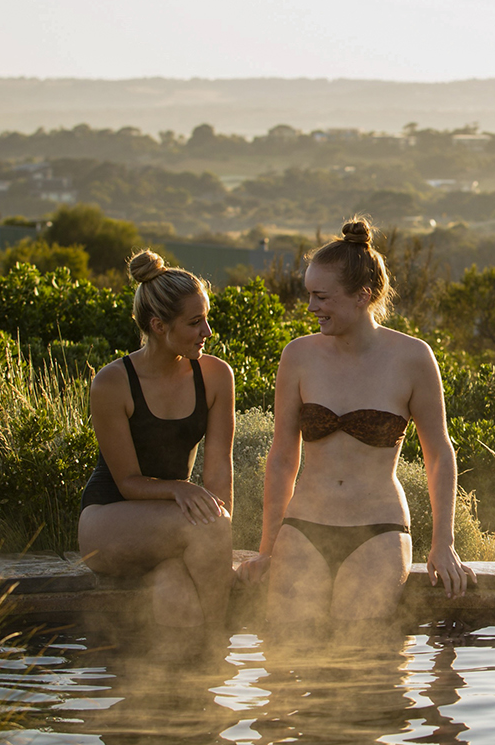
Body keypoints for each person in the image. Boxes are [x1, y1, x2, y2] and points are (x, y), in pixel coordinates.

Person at [242, 218, 473, 623]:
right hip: (304, 525)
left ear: (362, 295)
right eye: (310, 295)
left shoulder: (413, 359)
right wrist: (268, 547)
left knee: (360, 643)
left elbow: (439, 453)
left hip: (378, 528)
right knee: (287, 648)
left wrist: (443, 544)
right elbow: (282, 456)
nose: (311, 307)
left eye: (322, 297)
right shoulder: (298, 356)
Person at [78, 249, 236, 630]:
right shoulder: (113, 383)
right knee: (205, 530)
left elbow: (218, 471)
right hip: (109, 521)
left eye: (207, 319)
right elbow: (127, 483)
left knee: (175, 588)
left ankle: (189, 675)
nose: (207, 333)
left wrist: (221, 529)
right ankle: (220, 646)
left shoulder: (215, 376)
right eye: (195, 322)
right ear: (159, 325)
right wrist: (178, 489)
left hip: (169, 522)